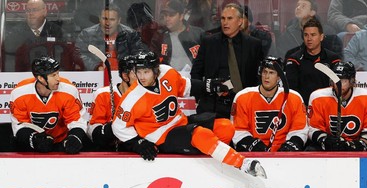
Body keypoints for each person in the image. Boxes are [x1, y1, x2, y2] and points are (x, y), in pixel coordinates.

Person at [111, 51, 267, 178]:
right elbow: (118, 126)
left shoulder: (167, 73)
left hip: (180, 122)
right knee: (201, 134)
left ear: (155, 70)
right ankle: (243, 164)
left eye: (146, 71)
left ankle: (208, 167)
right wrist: (139, 144)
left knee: (225, 128)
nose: (142, 76)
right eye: (139, 72)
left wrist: (210, 85)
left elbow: (186, 86)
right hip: (161, 138)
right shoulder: (132, 98)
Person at [191, 3, 263, 119]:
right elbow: (196, 72)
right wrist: (199, 97)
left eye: (230, 18)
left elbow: (258, 76)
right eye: (223, 18)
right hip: (212, 105)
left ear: (240, 21)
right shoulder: (208, 42)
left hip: (243, 104)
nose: (225, 22)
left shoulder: (253, 44)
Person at [10, 56, 88, 154]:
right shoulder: (19, 93)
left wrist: (75, 138)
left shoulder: (69, 90)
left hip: (61, 141)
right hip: (33, 143)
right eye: (53, 75)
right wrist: (35, 140)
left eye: (58, 73)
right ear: (41, 78)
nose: (58, 79)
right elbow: (20, 125)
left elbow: (76, 120)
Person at [231, 56, 308, 152]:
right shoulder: (243, 97)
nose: (267, 77)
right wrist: (252, 144)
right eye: (264, 72)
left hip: (284, 155)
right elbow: (238, 130)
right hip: (253, 155)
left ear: (279, 77)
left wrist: (291, 145)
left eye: (271, 73)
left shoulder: (294, 98)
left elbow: (300, 130)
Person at [307, 61, 367, 151]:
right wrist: (325, 140)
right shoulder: (317, 97)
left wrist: (361, 143)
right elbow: (313, 128)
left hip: (357, 142)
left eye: (343, 80)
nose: (338, 84)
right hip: (329, 143)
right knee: (311, 150)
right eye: (336, 79)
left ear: (352, 81)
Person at [285, 17, 341, 106]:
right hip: (302, 107)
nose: (309, 38)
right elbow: (292, 89)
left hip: (327, 106)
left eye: (313, 35)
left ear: (321, 37)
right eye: (306, 35)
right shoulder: (294, 59)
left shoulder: (333, 59)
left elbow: (337, 87)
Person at [88, 55, 137, 151]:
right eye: (137, 73)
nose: (143, 77)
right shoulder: (103, 95)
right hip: (108, 149)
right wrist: (109, 130)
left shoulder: (146, 95)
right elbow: (93, 131)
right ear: (125, 76)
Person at [75, 4, 146, 71]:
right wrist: (96, 67)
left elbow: (138, 54)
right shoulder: (86, 34)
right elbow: (78, 54)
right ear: (99, 18)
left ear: (118, 21)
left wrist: (126, 68)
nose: (107, 23)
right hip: (96, 75)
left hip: (123, 74)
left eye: (112, 19)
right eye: (104, 18)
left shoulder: (131, 34)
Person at [3, 0, 65, 71]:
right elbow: (9, 60)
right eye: (28, 10)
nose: (31, 13)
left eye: (34, 10)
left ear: (45, 11)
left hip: (50, 75)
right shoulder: (15, 33)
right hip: (23, 75)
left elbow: (63, 59)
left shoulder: (57, 31)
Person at [150, 0, 204, 74]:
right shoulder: (159, 36)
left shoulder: (198, 34)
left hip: (195, 78)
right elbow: (154, 62)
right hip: (169, 79)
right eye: (165, 15)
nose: (167, 18)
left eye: (171, 15)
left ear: (181, 16)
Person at [277, 0, 341, 60]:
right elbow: (283, 57)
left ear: (312, 12)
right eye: (297, 5)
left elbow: (334, 57)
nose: (298, 8)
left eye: (303, 6)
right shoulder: (288, 34)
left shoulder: (328, 32)